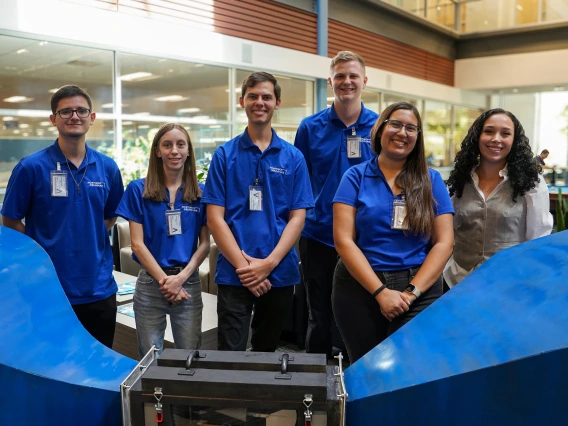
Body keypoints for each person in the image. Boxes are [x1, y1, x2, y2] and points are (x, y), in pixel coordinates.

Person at [1, 85, 124, 348]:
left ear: (92, 118)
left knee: (99, 365)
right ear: (53, 119)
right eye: (65, 111)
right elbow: (10, 221)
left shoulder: (108, 167)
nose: (74, 116)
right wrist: (41, 251)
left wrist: (83, 235)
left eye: (81, 110)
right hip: (49, 289)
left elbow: (110, 216)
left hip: (98, 288)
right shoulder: (30, 167)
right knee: (56, 369)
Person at [332, 102, 454, 364]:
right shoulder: (354, 177)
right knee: (365, 368)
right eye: (395, 124)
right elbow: (343, 241)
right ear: (380, 128)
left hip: (419, 289)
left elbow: (444, 242)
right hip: (360, 287)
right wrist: (380, 292)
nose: (402, 132)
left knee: (410, 369)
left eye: (411, 128)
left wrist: (411, 293)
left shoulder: (431, 180)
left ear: (418, 137)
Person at [202, 71, 314, 352]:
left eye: (266, 96)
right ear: (242, 101)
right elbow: (215, 218)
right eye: (253, 96)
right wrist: (246, 268)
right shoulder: (224, 155)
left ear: (277, 103)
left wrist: (269, 264)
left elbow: (297, 217)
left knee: (267, 351)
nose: (259, 102)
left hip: (279, 271)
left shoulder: (293, 157)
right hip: (234, 272)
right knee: (230, 353)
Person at [294, 51, 378, 357]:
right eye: (340, 76)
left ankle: (354, 385)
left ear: (364, 81)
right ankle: (314, 390)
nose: (347, 82)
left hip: (364, 238)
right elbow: (299, 183)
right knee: (319, 314)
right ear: (330, 81)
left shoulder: (380, 126)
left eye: (353, 76)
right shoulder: (309, 127)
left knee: (360, 312)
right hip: (319, 235)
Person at [116, 123, 209, 358]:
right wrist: (167, 281)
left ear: (188, 151)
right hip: (150, 284)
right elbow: (136, 244)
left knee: (189, 358)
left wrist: (180, 279)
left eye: (180, 144)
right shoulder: (138, 189)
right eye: (167, 145)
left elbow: (205, 244)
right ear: (157, 151)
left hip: (187, 282)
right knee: (149, 359)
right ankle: (154, 397)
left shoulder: (201, 193)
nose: (174, 151)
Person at [444, 108, 553, 287]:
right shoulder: (460, 177)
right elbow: (448, 231)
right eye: (489, 131)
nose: (496, 139)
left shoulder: (531, 182)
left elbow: (538, 237)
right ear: (477, 136)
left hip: (507, 282)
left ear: (514, 140)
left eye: (505, 133)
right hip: (456, 280)